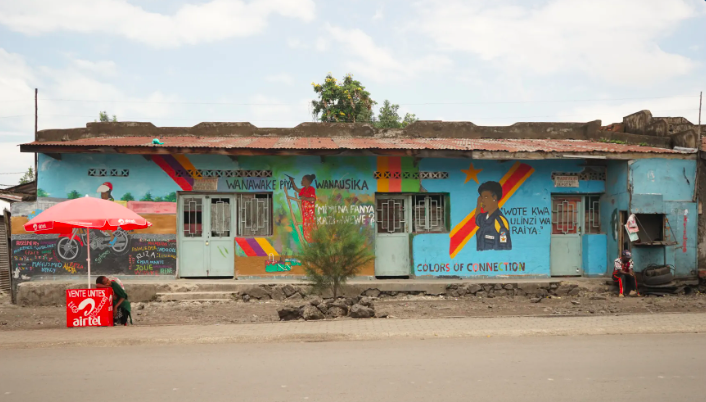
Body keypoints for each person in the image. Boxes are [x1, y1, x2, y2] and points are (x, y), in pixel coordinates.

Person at [475, 181, 512, 251]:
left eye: (485, 197)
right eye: (481, 198)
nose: (482, 201)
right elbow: (477, 218)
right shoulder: (484, 218)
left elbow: (504, 248)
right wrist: (478, 203)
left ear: (494, 197)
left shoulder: (500, 222)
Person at [289, 174, 317, 242]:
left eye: (303, 180)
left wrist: (305, 198)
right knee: (306, 228)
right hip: (305, 213)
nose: (302, 181)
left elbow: (313, 199)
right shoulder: (303, 190)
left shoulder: (311, 189)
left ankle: (314, 240)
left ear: (308, 181)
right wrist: (292, 181)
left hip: (310, 213)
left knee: (311, 226)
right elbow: (296, 189)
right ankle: (309, 241)